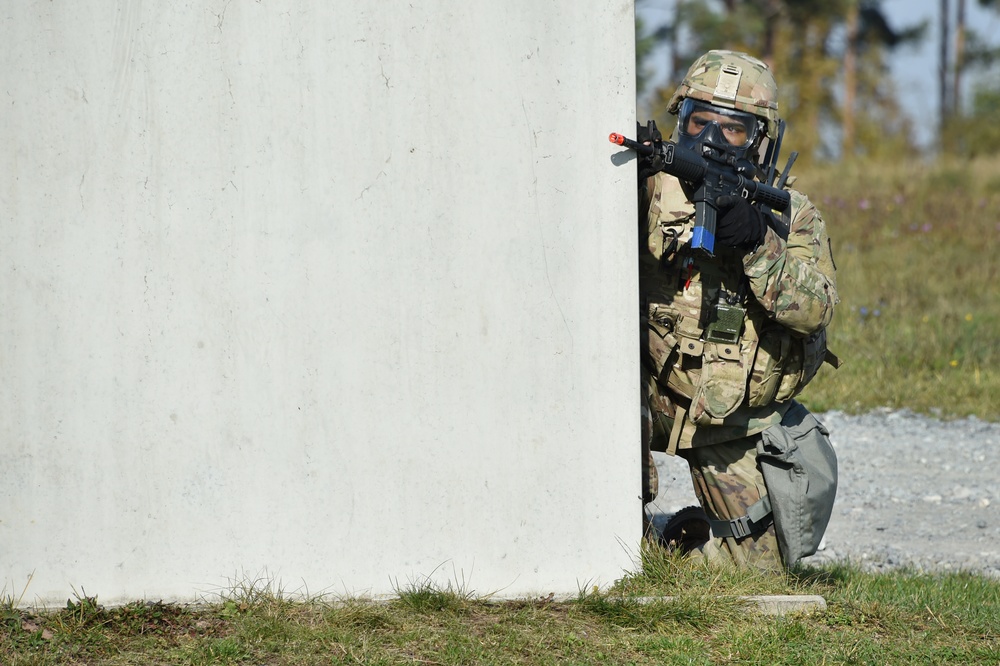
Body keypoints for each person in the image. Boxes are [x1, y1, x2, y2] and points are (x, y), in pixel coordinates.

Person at [637, 50, 840, 570]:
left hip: (731, 421)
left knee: (755, 569)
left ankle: (669, 539)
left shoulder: (789, 213)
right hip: (645, 398)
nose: (710, 138)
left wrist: (756, 244)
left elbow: (815, 310)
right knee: (605, 544)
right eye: (698, 121)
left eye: (733, 130)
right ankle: (628, 525)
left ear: (760, 138)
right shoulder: (646, 188)